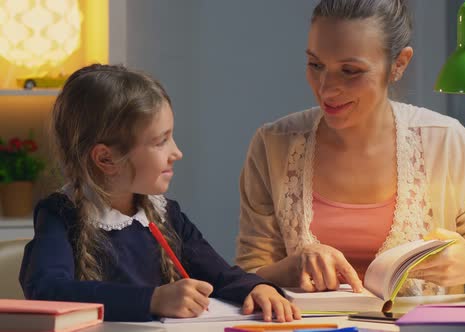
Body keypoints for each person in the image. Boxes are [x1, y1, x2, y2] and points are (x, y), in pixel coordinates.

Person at [236, 0, 465, 297]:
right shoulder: (273, 144)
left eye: (350, 71)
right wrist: (291, 268)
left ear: (399, 65)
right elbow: (247, 275)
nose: (326, 88)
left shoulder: (444, 142)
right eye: (316, 65)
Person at [19, 64, 300, 322]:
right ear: (106, 159)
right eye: (161, 141)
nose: (177, 152)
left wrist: (258, 287)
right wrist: (153, 299)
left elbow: (221, 274)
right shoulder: (60, 214)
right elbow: (48, 290)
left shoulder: (167, 214)